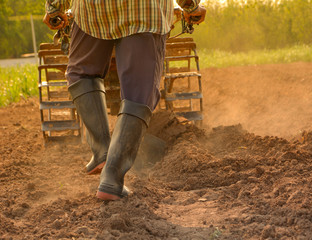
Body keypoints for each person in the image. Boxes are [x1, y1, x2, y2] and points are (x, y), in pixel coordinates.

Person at [43, 0, 206, 201]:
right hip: (144, 11)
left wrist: (55, 8)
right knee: (138, 93)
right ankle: (111, 178)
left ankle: (103, 151)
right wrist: (190, 7)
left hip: (93, 10)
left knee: (81, 73)